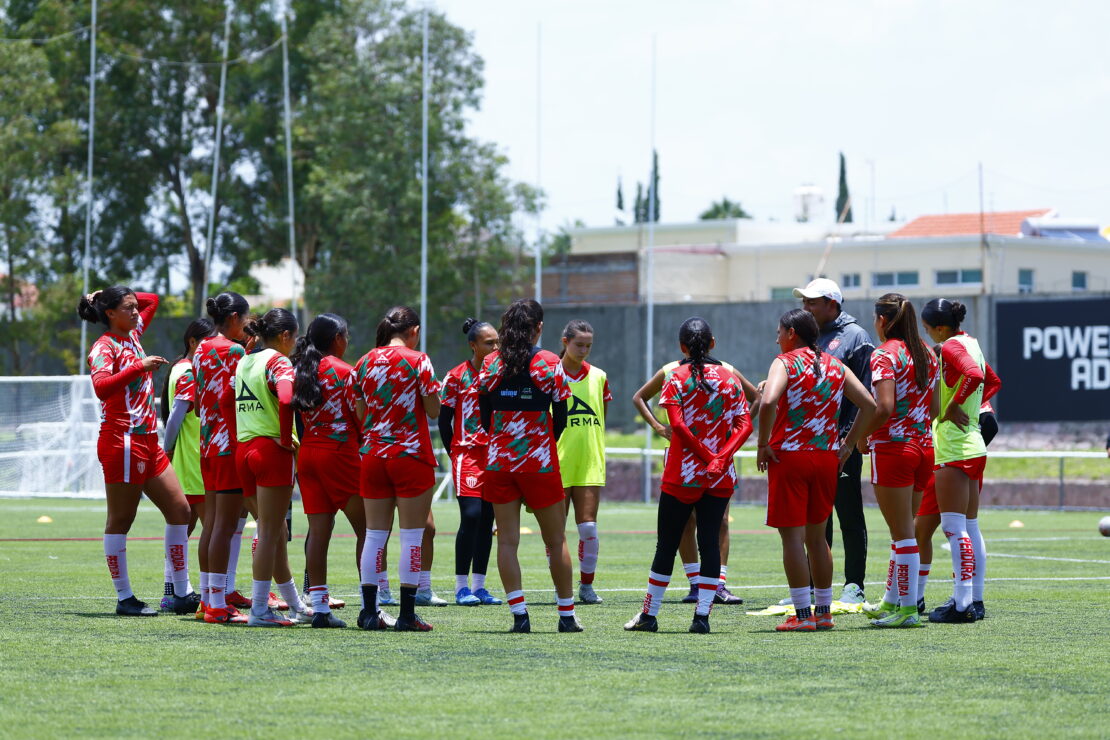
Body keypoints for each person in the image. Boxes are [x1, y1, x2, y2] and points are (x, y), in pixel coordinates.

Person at [625, 318, 752, 634]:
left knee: (666, 545)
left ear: (682, 346)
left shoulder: (676, 377)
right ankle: (702, 618)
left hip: (682, 474)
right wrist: (720, 458)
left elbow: (678, 426)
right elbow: (745, 425)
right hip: (719, 476)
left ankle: (649, 616)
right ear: (713, 343)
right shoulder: (729, 377)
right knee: (710, 542)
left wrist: (707, 457)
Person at [79, 286, 198, 616]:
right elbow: (102, 388)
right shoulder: (105, 346)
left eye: (134, 307)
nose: (136, 312)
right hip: (123, 440)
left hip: (147, 441)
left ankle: (181, 592)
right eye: (127, 308)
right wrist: (139, 367)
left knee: (180, 511)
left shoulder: (133, 334)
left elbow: (154, 300)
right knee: (121, 520)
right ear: (110, 315)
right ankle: (125, 598)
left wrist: (103, 295)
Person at [757, 309, 876, 632]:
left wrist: (762, 443)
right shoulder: (835, 365)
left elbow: (768, 402)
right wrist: (848, 443)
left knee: (792, 539)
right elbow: (870, 404)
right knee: (816, 538)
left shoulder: (785, 362)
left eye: (779, 332)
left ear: (792, 333)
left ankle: (802, 614)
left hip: (790, 457)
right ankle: (823, 612)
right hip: (826, 458)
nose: (777, 338)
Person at [477, 299, 580, 633]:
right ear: (538, 327)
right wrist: (538, 441)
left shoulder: (491, 362)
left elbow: (483, 417)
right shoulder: (551, 362)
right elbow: (562, 418)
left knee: (507, 541)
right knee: (556, 541)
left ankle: (520, 617)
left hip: (500, 462)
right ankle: (566, 616)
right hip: (539, 462)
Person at [353, 306, 442, 632]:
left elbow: (361, 414)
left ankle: (368, 612)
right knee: (412, 538)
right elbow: (433, 409)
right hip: (411, 456)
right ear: (413, 331)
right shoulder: (419, 360)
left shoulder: (363, 361)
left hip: (374, 455)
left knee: (375, 537)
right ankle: (406, 615)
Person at [853, 294, 939, 628]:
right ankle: (892, 601)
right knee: (903, 531)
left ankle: (907, 610)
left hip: (894, 449)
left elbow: (883, 406)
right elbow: (934, 408)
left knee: (902, 533)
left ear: (882, 321)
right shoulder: (927, 352)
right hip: (923, 448)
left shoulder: (885, 354)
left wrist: (859, 438)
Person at [791, 277, 874, 605]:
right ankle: (812, 586)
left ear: (832, 303)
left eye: (812, 302)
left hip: (842, 443)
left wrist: (852, 440)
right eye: (804, 302)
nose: (805, 308)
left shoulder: (856, 337)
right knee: (815, 517)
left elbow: (866, 395)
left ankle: (854, 585)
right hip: (809, 444)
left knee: (848, 514)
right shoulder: (807, 337)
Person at [919, 299, 1000, 623]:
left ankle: (962, 604)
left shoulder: (951, 346)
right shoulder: (970, 342)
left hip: (954, 447)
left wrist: (955, 406)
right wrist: (968, 405)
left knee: (954, 530)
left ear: (939, 327)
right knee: (969, 527)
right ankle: (974, 600)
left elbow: (974, 375)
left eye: (927, 328)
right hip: (975, 445)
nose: (926, 334)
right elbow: (991, 381)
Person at [291, 313, 368, 628]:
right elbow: (361, 416)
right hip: (339, 455)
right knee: (371, 531)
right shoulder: (345, 371)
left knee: (319, 534)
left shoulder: (301, 370)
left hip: (309, 454)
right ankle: (370, 605)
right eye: (346, 336)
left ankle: (320, 608)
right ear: (338, 339)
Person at [234, 309, 307, 627]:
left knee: (276, 531)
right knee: (268, 533)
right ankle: (260, 609)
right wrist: (282, 436)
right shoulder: (279, 361)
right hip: (269, 452)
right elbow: (288, 398)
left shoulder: (245, 360)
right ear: (286, 336)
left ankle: (294, 604)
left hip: (244, 450)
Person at [914, 396, 998, 616]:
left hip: (950, 459)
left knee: (922, 532)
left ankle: (924, 599)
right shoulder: (972, 365)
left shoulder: (951, 370)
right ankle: (973, 600)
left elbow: (989, 422)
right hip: (967, 455)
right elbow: (989, 417)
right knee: (969, 526)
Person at [439, 318, 502, 606]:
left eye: (497, 342)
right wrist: (454, 453)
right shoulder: (455, 376)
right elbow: (443, 420)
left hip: (495, 454)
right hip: (467, 454)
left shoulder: (502, 374)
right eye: (489, 342)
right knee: (472, 516)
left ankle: (479, 586)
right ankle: (461, 587)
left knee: (488, 520)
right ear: (473, 345)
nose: (495, 347)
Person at [159, 318, 216, 610]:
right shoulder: (189, 371)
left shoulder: (181, 368)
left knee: (184, 529)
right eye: (207, 341)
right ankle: (211, 594)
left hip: (188, 459)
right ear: (193, 342)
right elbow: (175, 418)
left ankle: (173, 590)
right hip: (194, 460)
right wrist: (166, 450)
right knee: (213, 529)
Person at [556, 320, 612, 604]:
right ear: (565, 342)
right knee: (556, 531)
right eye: (579, 345)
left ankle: (586, 585)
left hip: (589, 461)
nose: (584, 350)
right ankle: (560, 584)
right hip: (557, 461)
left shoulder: (599, 376)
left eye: (589, 345)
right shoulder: (549, 374)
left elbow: (603, 413)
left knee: (588, 527)